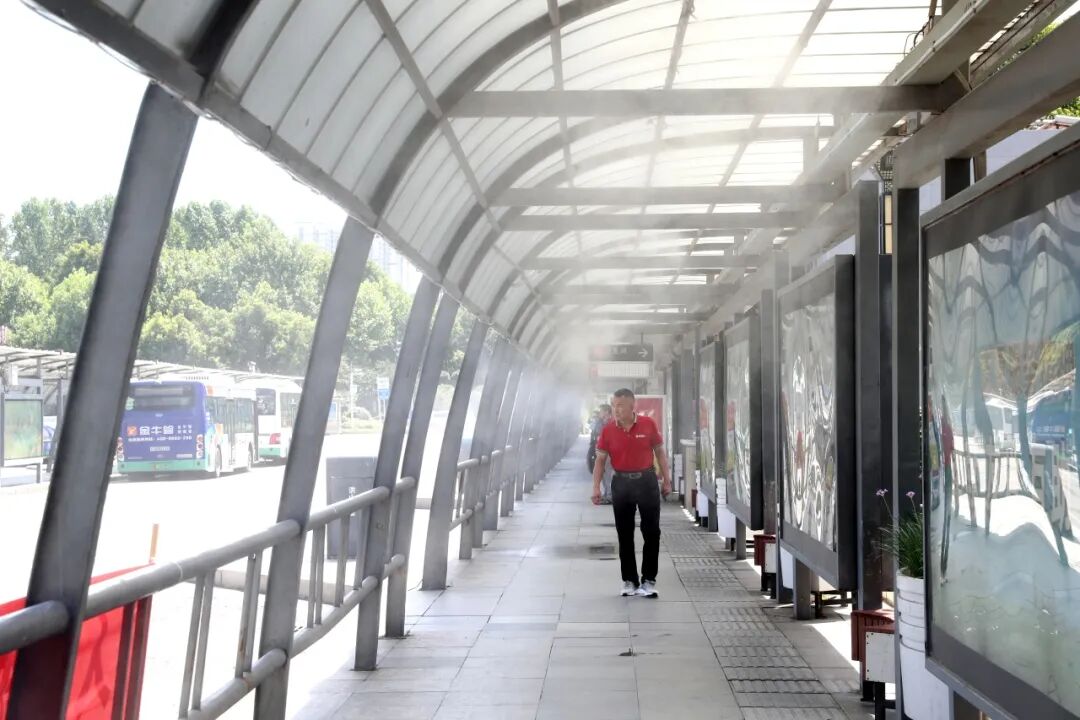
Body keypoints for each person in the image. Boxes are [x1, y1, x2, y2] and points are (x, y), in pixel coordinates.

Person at [592, 388, 673, 598]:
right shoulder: (608, 430)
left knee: (651, 532)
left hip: (646, 481)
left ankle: (649, 580)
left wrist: (666, 479)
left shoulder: (648, 424)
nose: (616, 410)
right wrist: (596, 487)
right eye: (614, 406)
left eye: (620, 405)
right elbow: (600, 461)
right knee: (625, 533)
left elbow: (660, 453)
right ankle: (629, 580)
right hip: (621, 483)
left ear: (631, 405)